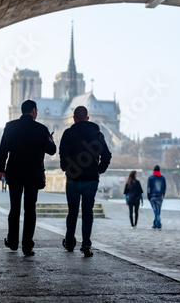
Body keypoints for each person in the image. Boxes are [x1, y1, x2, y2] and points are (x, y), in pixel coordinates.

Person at [0, 100, 56, 257]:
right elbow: (52, 150)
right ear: (34, 111)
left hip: (14, 173)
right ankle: (27, 245)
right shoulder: (41, 129)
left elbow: (3, 150)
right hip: (33, 175)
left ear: (22, 111)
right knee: (30, 209)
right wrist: (49, 139)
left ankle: (13, 242)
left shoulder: (10, 126)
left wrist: (0, 169)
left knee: (14, 208)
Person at [59, 106, 112, 257]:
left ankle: (69, 242)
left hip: (73, 178)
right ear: (88, 118)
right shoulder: (97, 134)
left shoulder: (68, 133)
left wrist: (66, 168)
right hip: (91, 179)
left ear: (74, 118)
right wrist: (99, 170)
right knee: (87, 212)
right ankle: (86, 245)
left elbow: (63, 154)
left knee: (73, 212)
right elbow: (107, 155)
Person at [147, 165, 166, 231]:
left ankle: (159, 225)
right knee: (158, 211)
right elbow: (164, 188)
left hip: (153, 196)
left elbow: (149, 188)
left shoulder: (151, 178)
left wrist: (148, 196)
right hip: (160, 196)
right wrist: (163, 195)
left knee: (156, 211)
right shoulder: (162, 178)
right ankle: (155, 224)